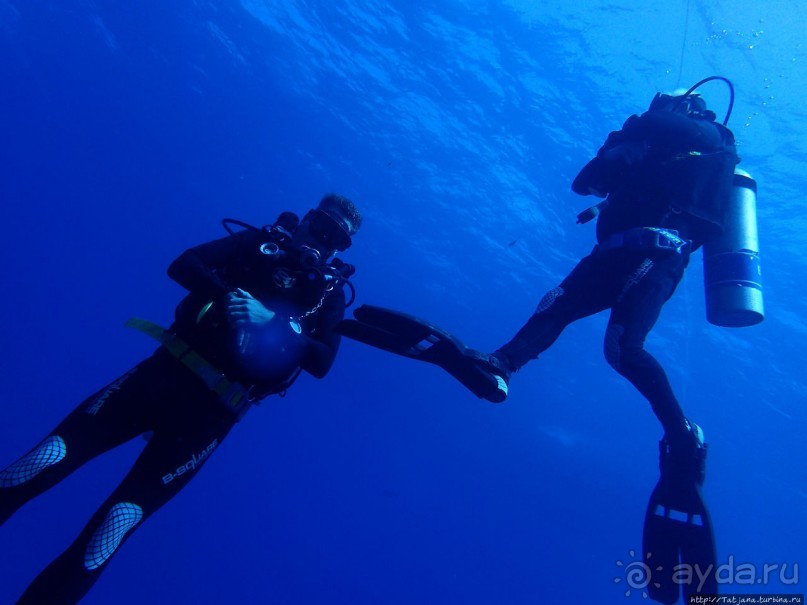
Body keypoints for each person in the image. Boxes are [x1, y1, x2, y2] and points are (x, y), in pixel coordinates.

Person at [338, 81, 740, 604]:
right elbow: (583, 184)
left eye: (666, 104)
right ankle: (500, 366)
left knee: (622, 350)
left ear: (684, 106)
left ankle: (683, 435)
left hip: (658, 254)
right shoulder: (651, 143)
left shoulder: (708, 136)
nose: (658, 111)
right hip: (611, 253)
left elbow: (665, 126)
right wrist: (617, 148)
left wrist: (641, 126)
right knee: (554, 305)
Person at [0, 193, 362, 604]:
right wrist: (230, 299)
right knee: (39, 461)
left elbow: (322, 361)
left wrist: (271, 322)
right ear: (307, 218)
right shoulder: (259, 244)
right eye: (321, 226)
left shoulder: (327, 295)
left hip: (209, 417)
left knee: (113, 528)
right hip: (162, 375)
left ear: (340, 250)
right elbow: (184, 264)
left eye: (336, 239)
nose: (322, 241)